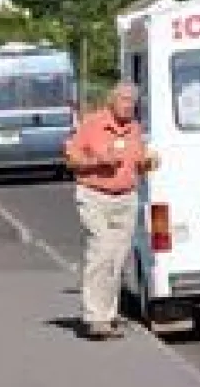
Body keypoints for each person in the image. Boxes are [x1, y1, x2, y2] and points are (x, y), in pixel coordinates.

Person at [63, 82, 156, 340]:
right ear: (112, 100)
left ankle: (107, 314)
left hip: (125, 199)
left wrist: (147, 163)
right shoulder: (92, 124)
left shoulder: (134, 129)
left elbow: (138, 162)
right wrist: (97, 161)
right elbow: (71, 159)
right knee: (101, 250)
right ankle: (95, 317)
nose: (128, 105)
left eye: (132, 101)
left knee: (117, 258)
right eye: (124, 99)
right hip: (94, 196)